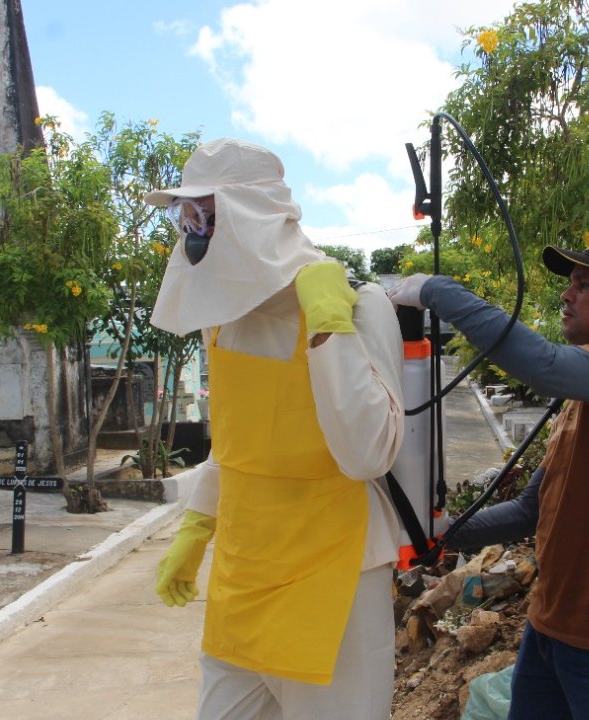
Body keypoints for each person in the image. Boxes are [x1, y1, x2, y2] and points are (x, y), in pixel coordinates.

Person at [147, 138, 405, 720]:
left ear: (254, 215)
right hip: (244, 570)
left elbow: (368, 454)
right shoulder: (220, 321)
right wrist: (197, 525)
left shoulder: (357, 305)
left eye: (207, 216)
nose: (193, 235)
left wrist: (329, 327)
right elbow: (232, 446)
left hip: (332, 576)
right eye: (187, 217)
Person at [387, 240, 589, 720]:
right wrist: (437, 533)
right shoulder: (585, 399)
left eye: (584, 285)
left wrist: (438, 291)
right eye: (570, 284)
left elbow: (544, 365)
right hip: (552, 627)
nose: (567, 295)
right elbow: (532, 509)